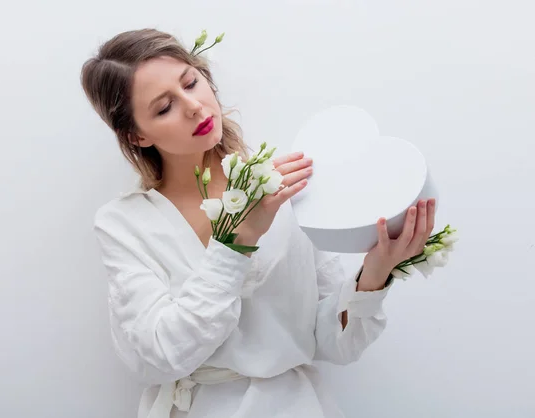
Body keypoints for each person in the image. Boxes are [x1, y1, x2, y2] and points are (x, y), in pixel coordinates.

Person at [80, 28, 436, 418]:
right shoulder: (125, 223)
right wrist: (235, 241)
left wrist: (375, 273)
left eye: (191, 82)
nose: (194, 107)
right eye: (164, 108)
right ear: (137, 135)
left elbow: (335, 345)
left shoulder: (284, 186)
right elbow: (164, 355)